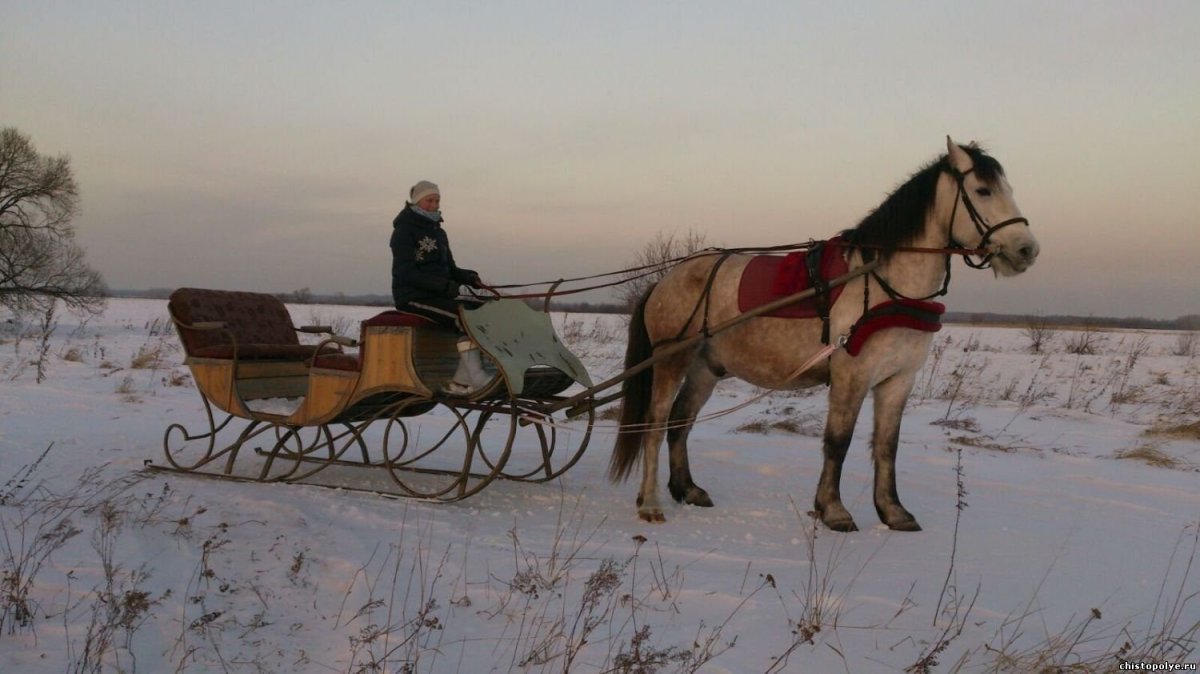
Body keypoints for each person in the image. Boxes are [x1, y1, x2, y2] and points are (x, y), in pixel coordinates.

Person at [390, 180, 492, 394]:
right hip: (413, 296)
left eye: (437, 200)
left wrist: (469, 277)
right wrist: (445, 287)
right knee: (463, 317)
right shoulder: (403, 232)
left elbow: (451, 269)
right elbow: (405, 272)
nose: (434, 204)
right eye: (430, 200)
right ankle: (476, 376)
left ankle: (462, 379)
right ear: (417, 201)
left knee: (482, 311)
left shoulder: (439, 232)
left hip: (439, 293)